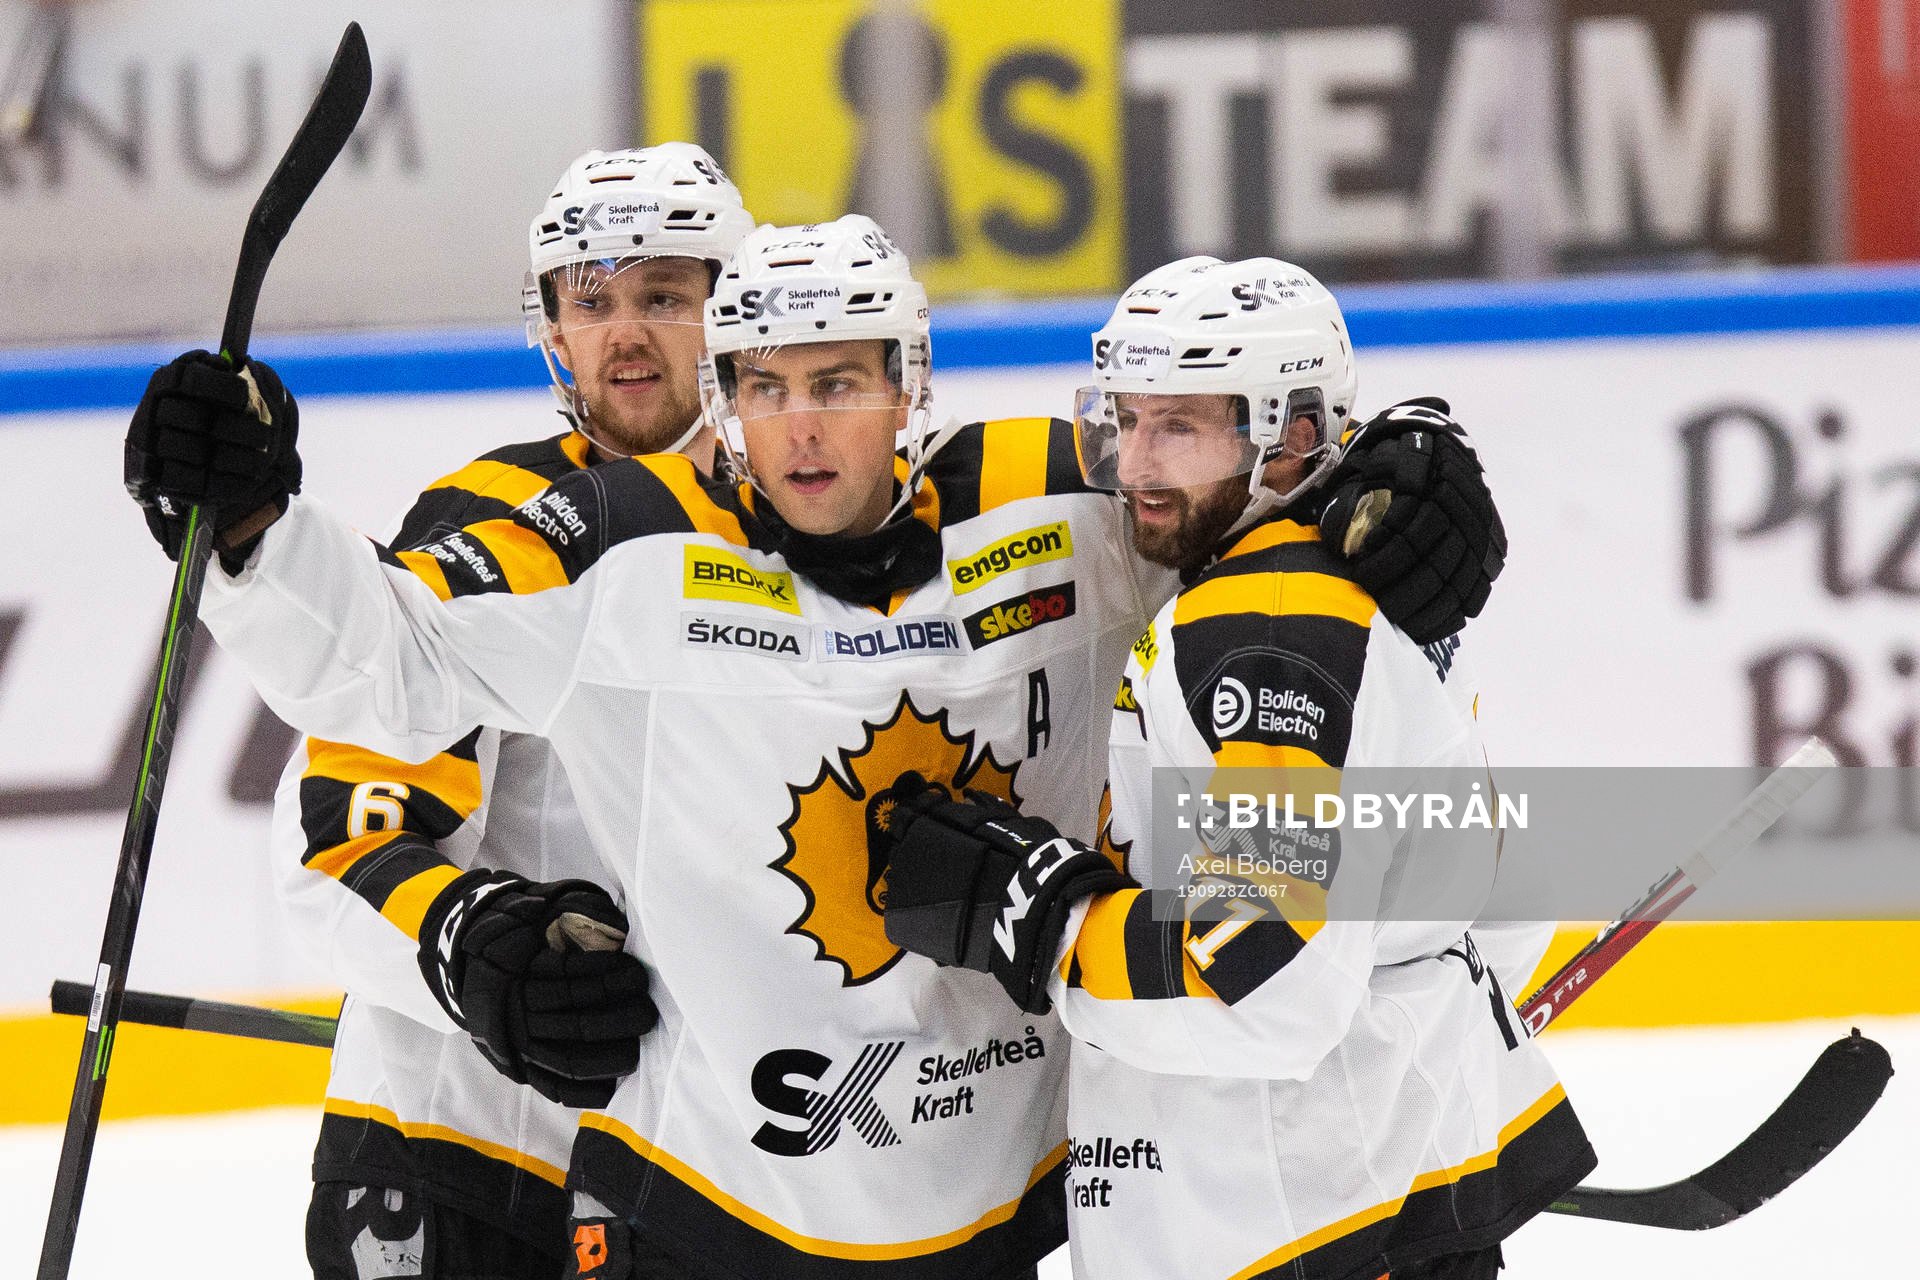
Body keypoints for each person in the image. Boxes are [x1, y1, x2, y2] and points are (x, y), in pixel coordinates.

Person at [124, 220, 1507, 1278]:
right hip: (705, 1201)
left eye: (839, 380)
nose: (800, 421)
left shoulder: (1067, 504)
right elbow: (385, 662)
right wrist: (255, 528)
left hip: (993, 1196)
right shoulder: (618, 540)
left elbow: (1246, 536)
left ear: (912, 385)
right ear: (723, 397)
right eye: (762, 384)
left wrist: (1393, 469)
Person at [875, 257, 1596, 1280]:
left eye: (1180, 425)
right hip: (1381, 1197)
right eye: (1126, 418)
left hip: (1294, 1225)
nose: (1135, 463)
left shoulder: (1255, 622)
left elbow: (1263, 976)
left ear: (1294, 436)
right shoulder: (1364, 581)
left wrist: (1043, 920)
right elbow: (1500, 888)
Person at [278, 142, 754, 1280]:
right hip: (463, 1152)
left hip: (705, 1170)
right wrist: (480, 957)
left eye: (662, 295)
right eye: (590, 300)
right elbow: (340, 853)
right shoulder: (502, 521)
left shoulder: (818, 534)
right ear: (552, 328)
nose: (625, 332)